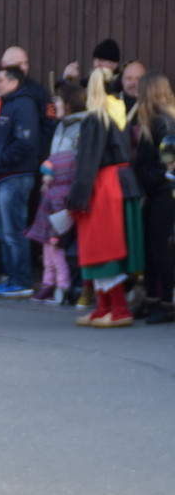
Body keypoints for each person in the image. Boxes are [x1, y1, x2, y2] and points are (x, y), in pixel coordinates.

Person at [69, 68, 145, 328]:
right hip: (121, 183)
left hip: (103, 185)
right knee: (110, 244)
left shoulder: (96, 118)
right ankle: (104, 307)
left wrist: (77, 195)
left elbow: (88, 162)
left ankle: (118, 309)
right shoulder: (119, 112)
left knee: (103, 246)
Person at [25, 83, 87, 305]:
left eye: (59, 100)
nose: (54, 104)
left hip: (67, 193)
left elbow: (77, 161)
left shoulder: (81, 126)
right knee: (49, 241)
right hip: (53, 191)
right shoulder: (61, 126)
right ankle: (49, 284)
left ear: (69, 104)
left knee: (61, 242)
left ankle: (70, 285)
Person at [0, 65, 41, 298]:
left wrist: (0, 158)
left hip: (15, 177)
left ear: (13, 82)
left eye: (0, 80)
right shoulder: (8, 104)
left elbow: (25, 141)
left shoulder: (23, 105)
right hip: (3, 176)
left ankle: (21, 280)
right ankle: (12, 277)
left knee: (13, 231)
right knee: (3, 231)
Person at [130, 71, 175, 324]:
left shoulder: (164, 122)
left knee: (161, 249)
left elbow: (169, 163)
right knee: (148, 247)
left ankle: (167, 303)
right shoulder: (154, 120)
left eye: (140, 88)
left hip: (163, 193)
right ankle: (151, 298)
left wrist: (150, 178)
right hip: (154, 192)